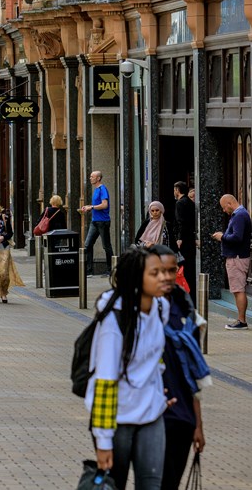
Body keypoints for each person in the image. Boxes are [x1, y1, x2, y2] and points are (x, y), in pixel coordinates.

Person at [85, 246, 170, 490]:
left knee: (152, 485)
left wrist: (159, 388)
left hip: (152, 415)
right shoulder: (114, 320)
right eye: (155, 273)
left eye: (164, 272)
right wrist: (103, 441)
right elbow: (105, 380)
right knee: (114, 484)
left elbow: (156, 355)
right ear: (136, 279)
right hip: (116, 419)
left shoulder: (161, 308)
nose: (164, 277)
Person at [150, 244, 207, 490]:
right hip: (151, 418)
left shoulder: (185, 310)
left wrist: (198, 425)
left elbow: (192, 376)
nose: (168, 276)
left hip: (182, 418)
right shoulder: (140, 310)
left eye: (173, 270)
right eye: (160, 271)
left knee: (171, 483)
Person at [211, 191, 251, 329]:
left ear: (230, 203)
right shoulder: (240, 214)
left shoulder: (239, 215)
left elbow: (237, 237)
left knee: (238, 289)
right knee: (237, 289)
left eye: (224, 207)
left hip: (237, 257)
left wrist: (222, 237)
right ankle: (241, 320)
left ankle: (242, 321)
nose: (224, 210)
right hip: (237, 256)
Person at [82, 168, 113, 275]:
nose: (90, 178)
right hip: (95, 221)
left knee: (106, 246)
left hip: (103, 222)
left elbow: (105, 205)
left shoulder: (102, 189)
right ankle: (89, 270)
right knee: (88, 244)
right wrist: (89, 206)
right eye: (90, 176)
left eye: (92, 177)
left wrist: (92, 207)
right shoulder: (96, 190)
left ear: (98, 178)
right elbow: (97, 205)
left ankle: (110, 269)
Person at [173, 181, 197, 294]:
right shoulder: (190, 203)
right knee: (190, 269)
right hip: (191, 239)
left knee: (183, 267)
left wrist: (179, 238)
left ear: (177, 190)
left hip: (184, 240)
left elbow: (180, 222)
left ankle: (184, 292)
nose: (174, 192)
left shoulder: (180, 203)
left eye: (174, 190)